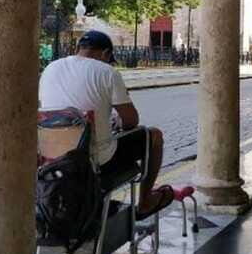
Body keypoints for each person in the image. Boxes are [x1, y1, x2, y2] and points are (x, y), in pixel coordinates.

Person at [39, 30, 173, 218]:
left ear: (79, 49)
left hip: (51, 156)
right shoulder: (108, 72)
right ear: (105, 54)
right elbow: (131, 121)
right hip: (95, 160)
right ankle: (145, 200)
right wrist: (116, 122)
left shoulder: (50, 68)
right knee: (154, 136)